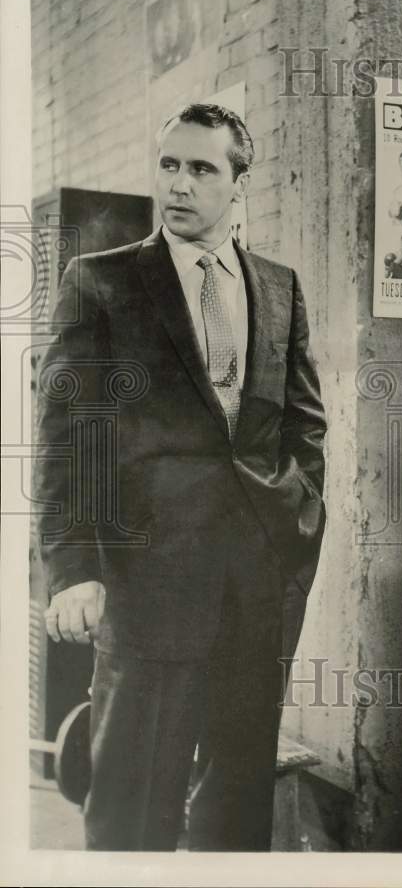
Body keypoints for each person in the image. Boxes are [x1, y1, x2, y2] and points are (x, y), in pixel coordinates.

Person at [33, 103, 327, 851]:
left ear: (238, 184)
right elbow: (71, 439)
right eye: (169, 165)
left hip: (257, 584)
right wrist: (74, 569)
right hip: (146, 581)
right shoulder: (100, 282)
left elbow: (305, 424)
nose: (180, 184)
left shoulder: (280, 287)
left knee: (236, 806)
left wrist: (297, 522)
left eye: (201, 168)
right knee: (133, 805)